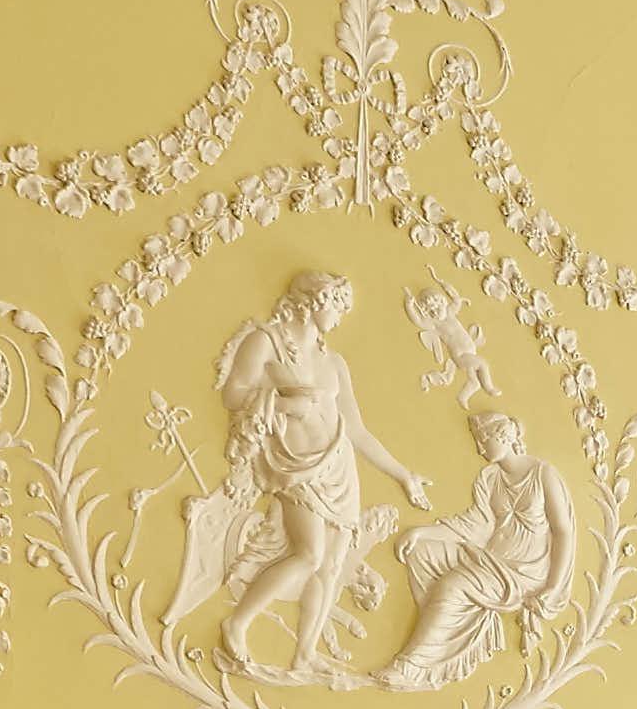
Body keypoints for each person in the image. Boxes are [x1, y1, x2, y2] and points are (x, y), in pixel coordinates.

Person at [162, 271, 435, 679]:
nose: (341, 316)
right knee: (308, 554)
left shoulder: (333, 363)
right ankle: (236, 624)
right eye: (337, 306)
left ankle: (304, 654)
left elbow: (357, 429)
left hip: (339, 466)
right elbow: (233, 394)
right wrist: (288, 405)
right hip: (295, 465)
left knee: (331, 566)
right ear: (313, 301)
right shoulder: (266, 342)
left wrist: (404, 475)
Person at [375, 407, 578, 687]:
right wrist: (423, 532)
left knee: (453, 584)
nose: (480, 447)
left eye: (484, 439)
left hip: (523, 574)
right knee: (422, 553)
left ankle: (412, 665)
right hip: (491, 559)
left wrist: (553, 586)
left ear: (503, 436)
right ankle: (444, 633)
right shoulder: (490, 478)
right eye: (478, 441)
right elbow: (475, 525)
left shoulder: (542, 474)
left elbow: (563, 531)